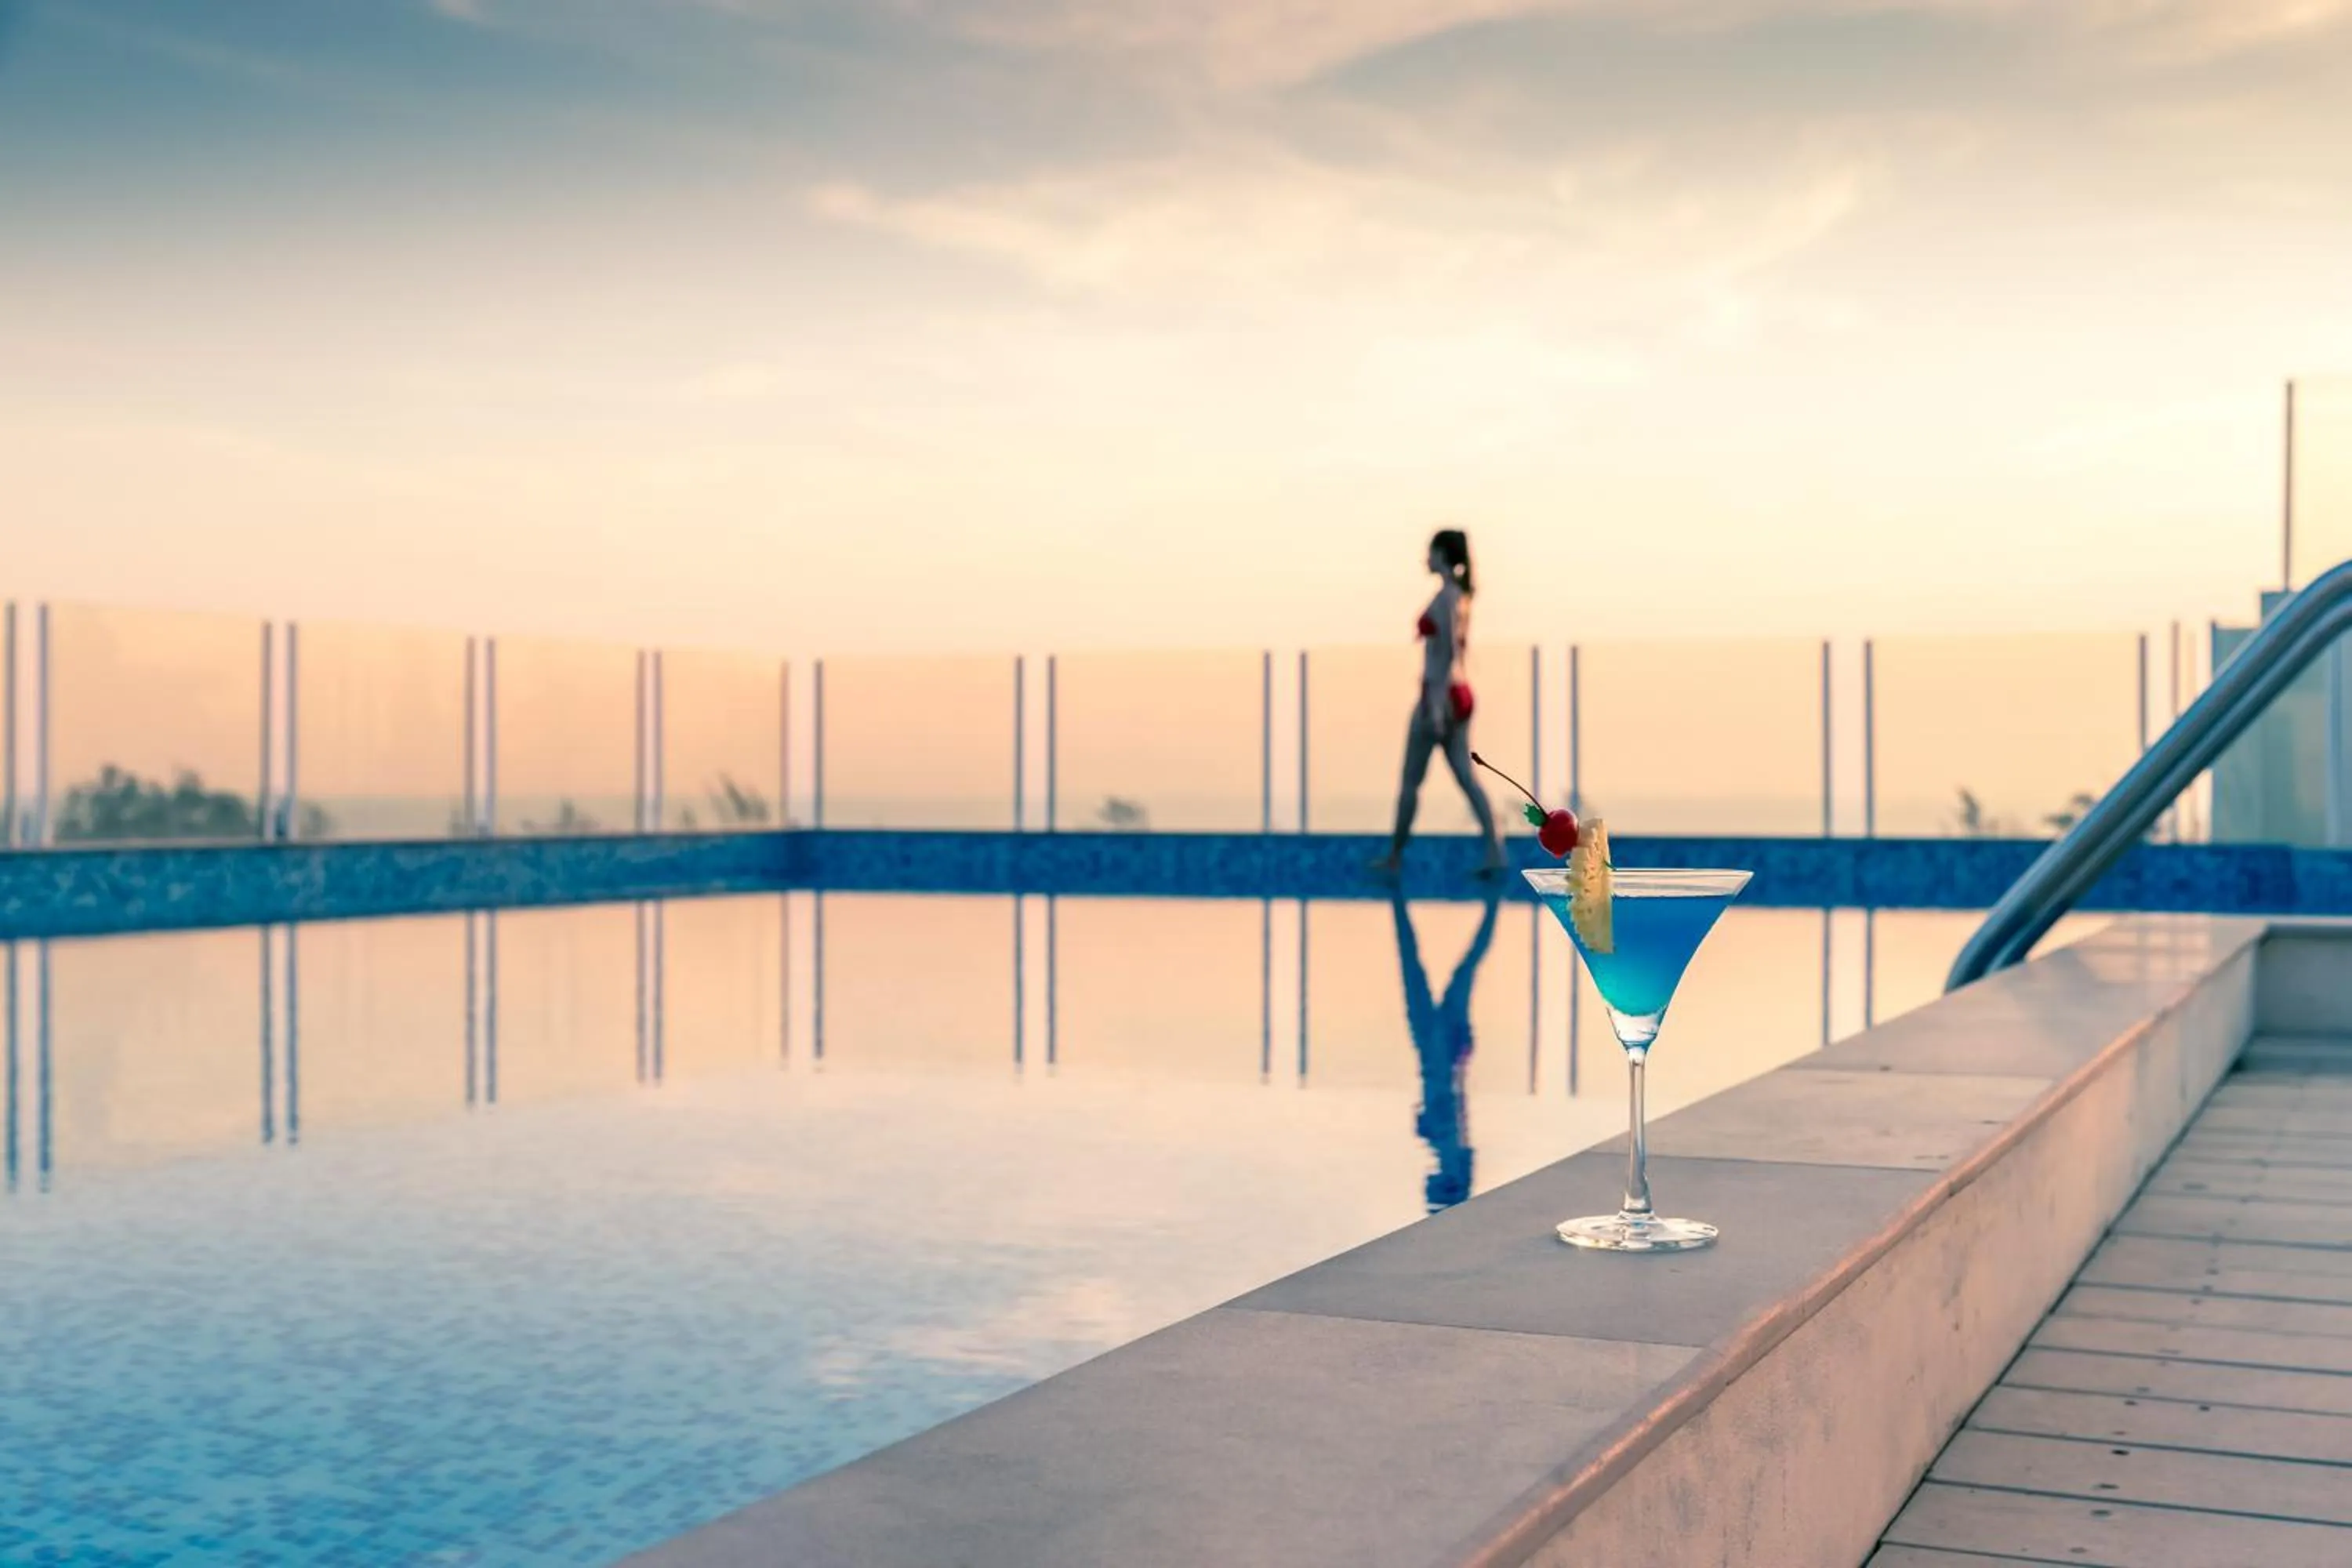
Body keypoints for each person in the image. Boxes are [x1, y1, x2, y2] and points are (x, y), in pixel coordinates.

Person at [1370, 528, 1503, 877]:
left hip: (1438, 697)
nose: (1425, 557)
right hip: (1456, 694)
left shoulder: (1446, 598)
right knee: (1465, 777)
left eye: (1430, 551)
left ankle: (1394, 858)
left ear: (1442, 554)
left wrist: (1435, 706)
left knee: (1411, 781)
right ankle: (1495, 850)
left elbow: (1443, 655)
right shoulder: (1459, 596)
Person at [1391, 885, 1501, 1212]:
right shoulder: (1451, 1145)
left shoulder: (1447, 1145)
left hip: (1432, 1047)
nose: (1429, 1183)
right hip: (1442, 1049)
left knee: (1420, 969)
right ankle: (1493, 908)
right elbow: (1453, 1096)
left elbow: (1450, 1100)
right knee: (1452, 970)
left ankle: (1493, 909)